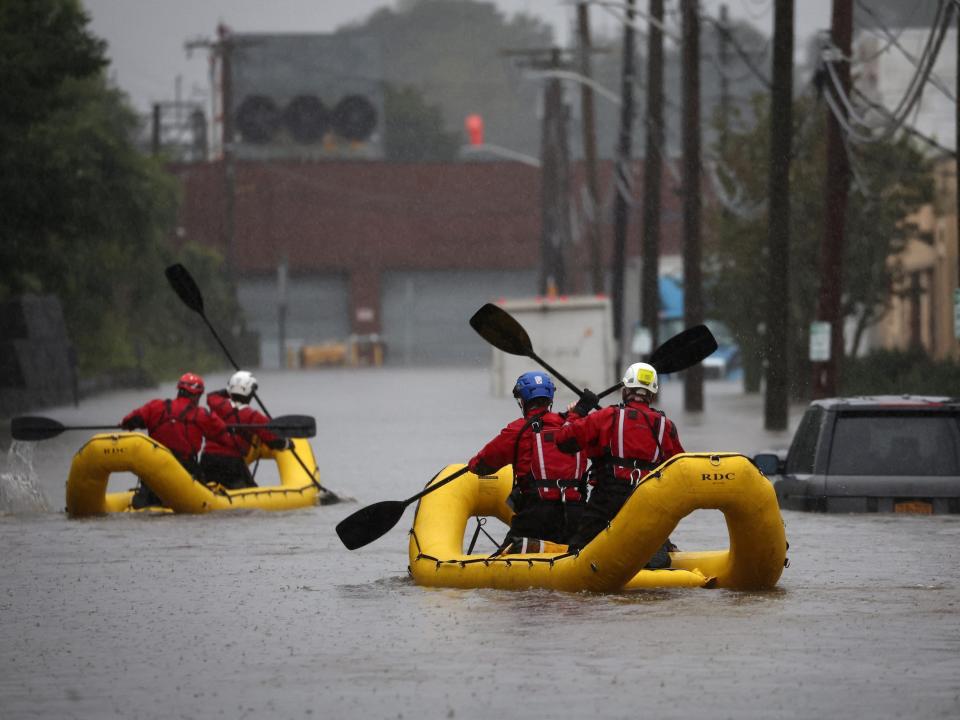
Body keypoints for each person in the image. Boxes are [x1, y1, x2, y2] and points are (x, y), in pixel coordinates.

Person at [555, 362, 684, 567]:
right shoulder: (666, 426)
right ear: (652, 394)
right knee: (650, 537)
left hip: (608, 498)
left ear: (626, 390)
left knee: (578, 551)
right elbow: (680, 470)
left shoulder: (608, 416)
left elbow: (563, 441)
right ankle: (657, 551)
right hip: (648, 498)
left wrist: (578, 412)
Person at [467, 371, 586, 553]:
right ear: (550, 399)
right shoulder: (574, 425)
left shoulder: (518, 430)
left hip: (536, 515)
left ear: (522, 401)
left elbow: (481, 465)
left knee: (503, 557)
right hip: (575, 513)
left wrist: (473, 465)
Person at [120, 372, 229, 508]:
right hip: (184, 470)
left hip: (154, 466)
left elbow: (130, 421)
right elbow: (224, 435)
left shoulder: (155, 406)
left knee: (144, 498)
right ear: (196, 395)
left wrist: (126, 425)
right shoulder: (202, 414)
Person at [201, 370, 292, 490]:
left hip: (207, 459)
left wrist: (231, 388)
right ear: (251, 393)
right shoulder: (253, 417)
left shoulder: (217, 404)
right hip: (232, 463)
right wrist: (287, 443)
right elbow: (274, 440)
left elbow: (212, 395)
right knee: (251, 490)